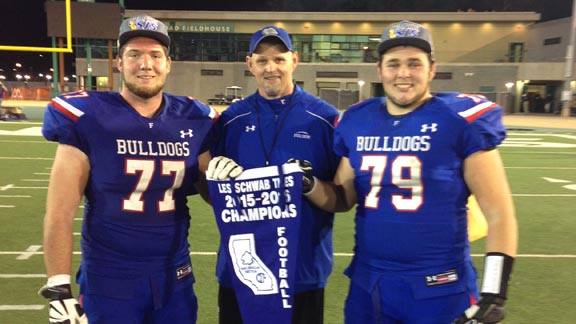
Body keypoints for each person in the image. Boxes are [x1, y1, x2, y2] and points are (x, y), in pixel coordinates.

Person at [304, 20, 518, 324]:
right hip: (370, 283)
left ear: (431, 69)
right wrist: (309, 184)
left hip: (440, 286)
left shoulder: (460, 119)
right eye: (393, 64)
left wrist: (494, 293)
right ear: (380, 70)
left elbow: (499, 214)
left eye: (414, 63)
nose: (403, 73)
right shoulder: (357, 120)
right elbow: (342, 197)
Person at [38, 14, 218, 324]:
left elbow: (211, 197)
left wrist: (220, 179)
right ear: (120, 63)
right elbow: (59, 213)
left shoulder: (194, 117)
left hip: (175, 275)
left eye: (155, 55)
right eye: (134, 54)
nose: (145, 64)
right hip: (110, 278)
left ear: (168, 63)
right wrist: (59, 287)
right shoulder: (88, 116)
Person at [207, 25, 340, 324]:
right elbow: (211, 197)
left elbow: (343, 200)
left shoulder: (325, 119)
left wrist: (310, 184)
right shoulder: (230, 120)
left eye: (279, 59)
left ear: (294, 60)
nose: (271, 68)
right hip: (241, 271)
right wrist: (213, 182)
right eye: (262, 60)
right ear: (249, 63)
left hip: (301, 273)